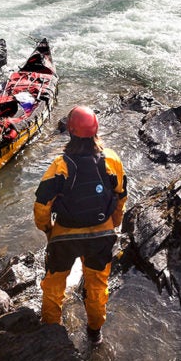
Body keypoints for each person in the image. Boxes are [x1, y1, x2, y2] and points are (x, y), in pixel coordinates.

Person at [33, 105, 128, 345]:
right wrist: (114, 224)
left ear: (71, 132)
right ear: (96, 131)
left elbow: (42, 206)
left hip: (65, 236)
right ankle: (95, 332)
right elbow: (121, 196)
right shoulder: (111, 159)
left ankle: (52, 333)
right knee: (97, 286)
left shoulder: (60, 165)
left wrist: (47, 229)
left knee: (54, 285)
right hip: (102, 235)